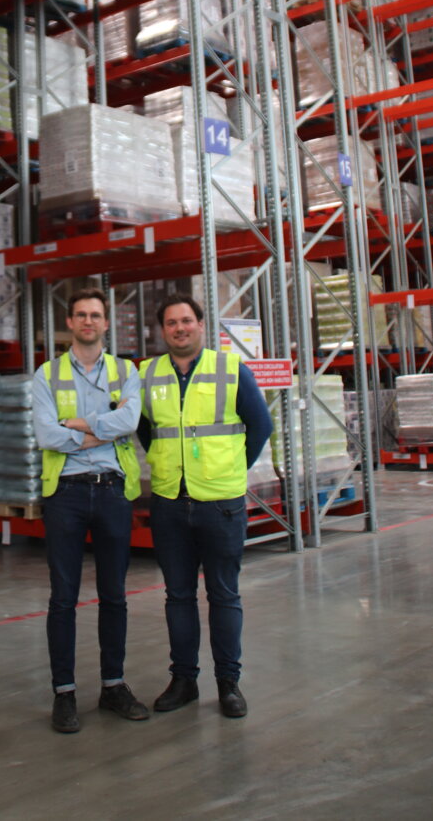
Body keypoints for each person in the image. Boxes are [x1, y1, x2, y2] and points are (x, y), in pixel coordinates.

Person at [138, 294, 273, 719]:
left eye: (187, 321)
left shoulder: (231, 369)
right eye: (171, 323)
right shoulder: (147, 374)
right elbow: (146, 431)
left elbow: (260, 425)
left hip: (221, 504)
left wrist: (231, 467)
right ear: (163, 331)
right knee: (177, 596)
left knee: (224, 595)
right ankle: (183, 680)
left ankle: (228, 684)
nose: (180, 329)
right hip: (169, 503)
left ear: (201, 324)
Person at [32, 288, 149, 734]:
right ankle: (64, 692)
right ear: (71, 322)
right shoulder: (48, 374)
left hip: (113, 491)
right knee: (62, 598)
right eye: (80, 315)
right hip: (66, 493)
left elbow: (131, 422)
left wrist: (79, 425)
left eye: (95, 315)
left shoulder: (125, 371)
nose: (88, 321)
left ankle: (113, 686)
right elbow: (47, 435)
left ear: (106, 323)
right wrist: (106, 429)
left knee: (114, 595)